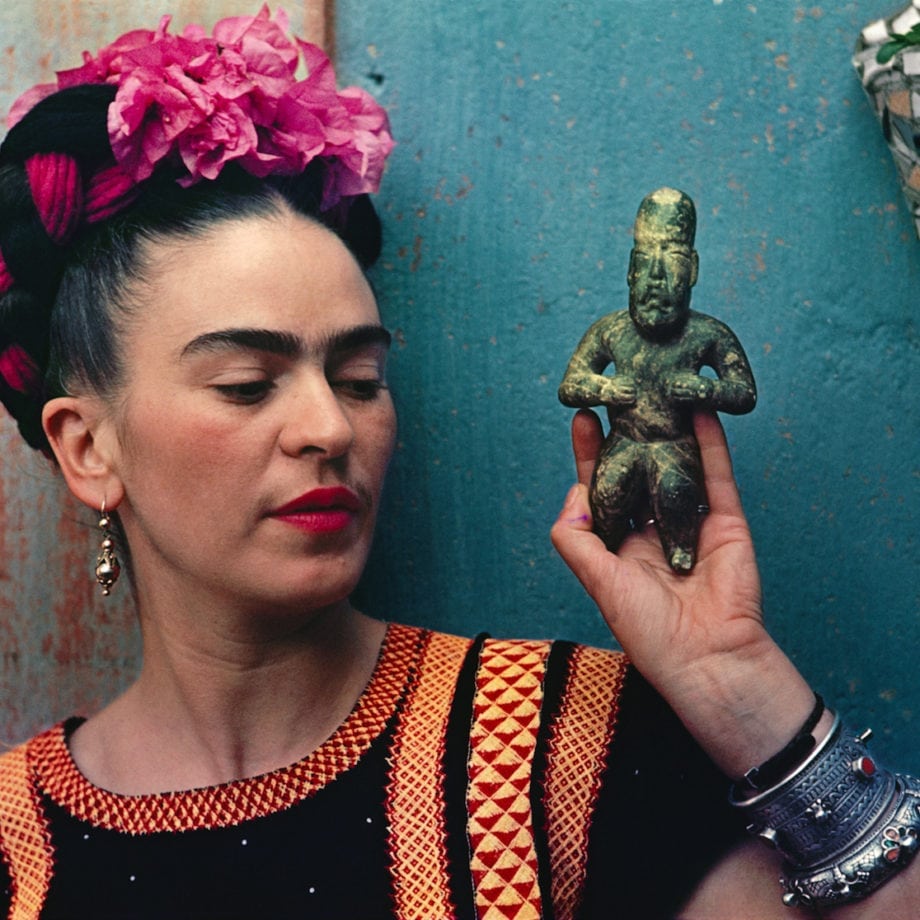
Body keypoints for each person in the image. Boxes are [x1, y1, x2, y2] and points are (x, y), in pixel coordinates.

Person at [0, 10, 916, 920]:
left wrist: (737, 682)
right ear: (88, 448)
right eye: (247, 383)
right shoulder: (12, 845)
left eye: (360, 379)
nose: (329, 426)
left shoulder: (554, 745)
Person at [558, 187, 756, 573]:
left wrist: (705, 389)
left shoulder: (707, 335)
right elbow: (570, 385)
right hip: (624, 441)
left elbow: (744, 392)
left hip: (675, 445)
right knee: (609, 490)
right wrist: (605, 389)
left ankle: (680, 548)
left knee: (677, 491)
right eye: (646, 261)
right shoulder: (612, 331)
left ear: (693, 270)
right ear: (631, 269)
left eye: (674, 260)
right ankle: (610, 540)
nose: (656, 277)